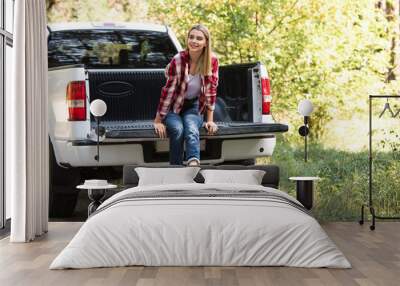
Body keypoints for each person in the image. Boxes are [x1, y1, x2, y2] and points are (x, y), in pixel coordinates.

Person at [153, 24, 219, 166]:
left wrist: (210, 120)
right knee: (177, 129)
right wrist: (158, 121)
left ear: (206, 42)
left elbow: (210, 91)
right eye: (191, 37)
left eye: (199, 38)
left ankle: (193, 163)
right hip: (173, 107)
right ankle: (176, 167)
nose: (194, 41)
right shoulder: (178, 60)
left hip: (194, 106)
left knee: (191, 126)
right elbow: (168, 91)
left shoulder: (212, 61)